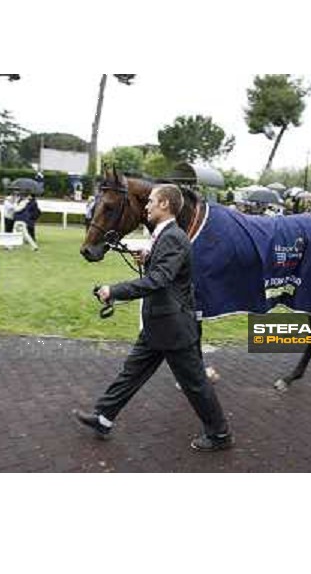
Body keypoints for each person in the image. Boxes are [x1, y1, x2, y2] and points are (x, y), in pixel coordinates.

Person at [73, 184, 234, 452]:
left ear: (165, 205)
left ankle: (219, 434)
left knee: (194, 384)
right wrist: (147, 257)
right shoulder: (165, 235)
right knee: (131, 373)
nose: (145, 206)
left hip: (173, 328)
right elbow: (164, 270)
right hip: (159, 324)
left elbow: (159, 280)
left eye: (150, 202)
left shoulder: (172, 236)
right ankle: (103, 417)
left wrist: (114, 291)